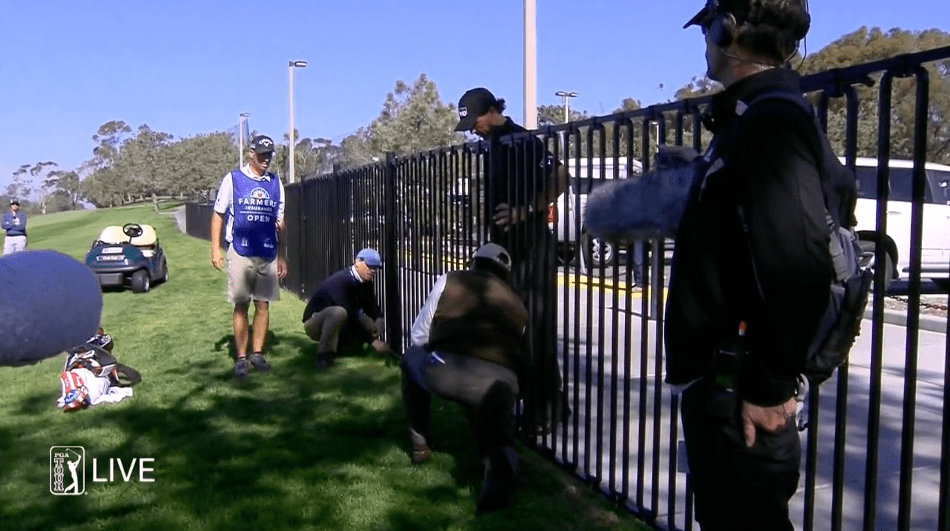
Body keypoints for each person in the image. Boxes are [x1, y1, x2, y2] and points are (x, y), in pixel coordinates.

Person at [667, 1, 822, 529]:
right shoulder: (749, 117)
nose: (705, 40)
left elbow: (798, 263)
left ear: (727, 31)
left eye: (709, 28)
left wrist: (769, 386)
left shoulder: (771, 119)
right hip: (723, 386)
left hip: (743, 396)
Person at [454, 87, 570, 434]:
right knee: (513, 332)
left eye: (475, 121)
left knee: (537, 331)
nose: (473, 129)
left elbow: (562, 176)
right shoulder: (492, 145)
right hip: (505, 253)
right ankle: (548, 403)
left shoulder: (521, 140)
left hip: (532, 248)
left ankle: (545, 412)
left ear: (491, 111)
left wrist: (527, 210)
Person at [401, 243, 528, 512]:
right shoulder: (518, 302)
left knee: (411, 358)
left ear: (474, 262)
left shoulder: (451, 279)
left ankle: (420, 443)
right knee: (488, 403)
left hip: (450, 370)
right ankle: (496, 456)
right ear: (506, 274)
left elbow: (419, 336)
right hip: (501, 382)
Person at [210, 134, 288, 379]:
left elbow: (280, 223)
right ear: (251, 153)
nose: (266, 159)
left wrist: (282, 255)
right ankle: (241, 357)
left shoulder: (276, 183)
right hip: (240, 250)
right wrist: (215, 248)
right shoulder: (233, 180)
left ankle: (258, 353)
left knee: (263, 305)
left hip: (267, 251)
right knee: (241, 303)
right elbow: (218, 215)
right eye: (262, 154)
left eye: (270, 155)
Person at [302, 248, 389, 369]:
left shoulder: (365, 283)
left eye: (375, 268)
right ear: (356, 262)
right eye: (369, 266)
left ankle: (340, 347)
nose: (372, 271)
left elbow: (372, 306)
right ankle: (324, 356)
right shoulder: (342, 280)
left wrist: (379, 321)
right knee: (339, 312)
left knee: (356, 330)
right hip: (315, 322)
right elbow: (349, 311)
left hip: (338, 323)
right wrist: (371, 338)